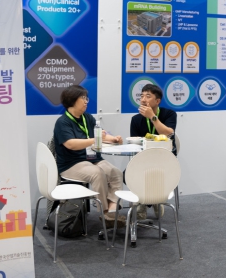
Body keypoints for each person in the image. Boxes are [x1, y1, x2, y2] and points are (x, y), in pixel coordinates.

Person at [53, 85, 125, 227]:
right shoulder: (63, 122)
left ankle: (112, 210)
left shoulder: (88, 118)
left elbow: (101, 134)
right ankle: (104, 213)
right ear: (72, 99)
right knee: (97, 173)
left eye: (86, 98)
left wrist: (114, 139)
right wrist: (94, 140)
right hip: (71, 164)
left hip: (93, 159)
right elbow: (70, 144)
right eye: (83, 98)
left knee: (115, 172)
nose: (86, 101)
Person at [129, 84, 177, 220]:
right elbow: (135, 143)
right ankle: (152, 200)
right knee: (128, 174)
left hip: (165, 158)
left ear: (157, 101)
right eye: (141, 96)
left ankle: (148, 201)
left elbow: (168, 133)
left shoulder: (169, 114)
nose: (143, 99)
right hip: (144, 158)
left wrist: (153, 117)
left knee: (152, 173)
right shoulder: (136, 119)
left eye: (148, 96)